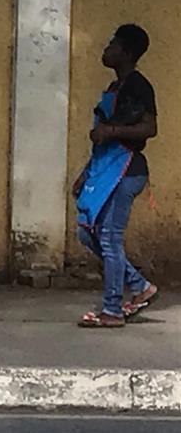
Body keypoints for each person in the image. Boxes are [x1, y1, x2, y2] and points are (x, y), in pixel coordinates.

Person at [73, 24, 159, 328]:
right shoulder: (114, 88)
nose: (106, 49)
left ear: (127, 52)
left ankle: (112, 311)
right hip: (105, 167)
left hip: (127, 169)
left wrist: (110, 130)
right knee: (87, 232)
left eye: (113, 45)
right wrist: (87, 172)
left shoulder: (139, 86)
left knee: (109, 237)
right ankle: (139, 286)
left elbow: (149, 128)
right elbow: (103, 141)